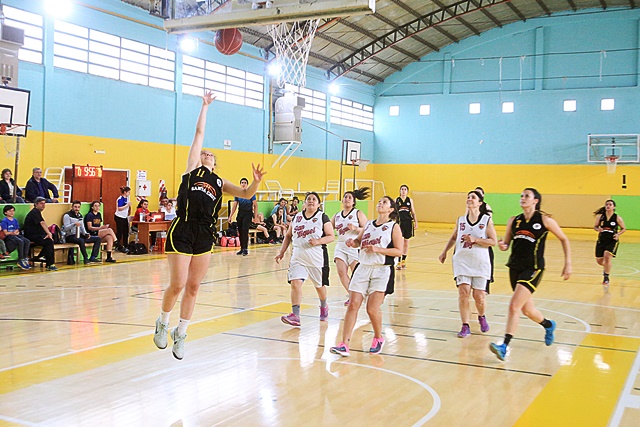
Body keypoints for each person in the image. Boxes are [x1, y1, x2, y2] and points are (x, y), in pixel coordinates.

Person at [153, 91, 265, 360]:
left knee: (193, 287)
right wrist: (204, 106)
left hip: (205, 234)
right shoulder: (191, 170)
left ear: (215, 162)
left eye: (210, 154)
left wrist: (257, 181)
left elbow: (247, 194)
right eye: (204, 152)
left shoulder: (219, 182)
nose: (206, 153)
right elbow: (199, 133)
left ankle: (181, 332)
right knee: (177, 284)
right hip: (183, 228)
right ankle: (163, 321)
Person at [489, 188, 571, 361]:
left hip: (533, 269)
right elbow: (506, 243)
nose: (523, 198)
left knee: (513, 306)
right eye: (521, 195)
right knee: (527, 309)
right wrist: (503, 245)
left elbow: (564, 239)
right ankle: (549, 325)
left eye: (527, 196)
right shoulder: (514, 220)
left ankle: (504, 346)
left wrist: (567, 263)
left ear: (535, 201)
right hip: (515, 267)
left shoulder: (545, 220)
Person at [330, 196, 403, 356]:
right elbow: (358, 241)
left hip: (382, 270)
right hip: (363, 267)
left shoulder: (393, 227)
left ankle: (378, 337)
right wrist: (352, 243)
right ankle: (344, 344)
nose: (380, 203)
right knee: (353, 304)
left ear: (390, 209)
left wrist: (378, 249)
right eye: (380, 201)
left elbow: (399, 251)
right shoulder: (369, 224)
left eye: (384, 202)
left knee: (371, 308)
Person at [439, 190, 497, 338]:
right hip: (462, 261)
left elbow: (493, 241)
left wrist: (476, 239)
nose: (469, 199)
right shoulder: (461, 220)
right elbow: (453, 237)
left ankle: (481, 316)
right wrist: (444, 251)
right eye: (468, 197)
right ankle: (465, 325)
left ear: (480, 203)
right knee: (463, 293)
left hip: (481, 262)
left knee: (479, 297)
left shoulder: (486, 220)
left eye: (473, 197)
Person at [275, 192, 334, 327]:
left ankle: (324, 306)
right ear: (304, 203)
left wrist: (318, 241)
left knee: (319, 287)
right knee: (295, 283)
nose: (311, 201)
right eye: (308, 199)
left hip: (316, 256)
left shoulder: (322, 217)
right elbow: (288, 235)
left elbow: (331, 236)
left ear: (318, 204)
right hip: (298, 255)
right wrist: (282, 252)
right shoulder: (297, 217)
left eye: (314, 199)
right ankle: (295, 315)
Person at [331, 187, 369, 306]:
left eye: (349, 197)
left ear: (353, 202)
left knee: (356, 274)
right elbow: (327, 228)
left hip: (354, 246)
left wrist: (355, 228)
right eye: (345, 197)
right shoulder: (337, 216)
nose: (347, 199)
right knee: (342, 273)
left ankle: (364, 294)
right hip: (340, 246)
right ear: (342, 200)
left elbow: (368, 229)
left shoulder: (357, 213)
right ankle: (353, 297)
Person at [594, 199, 626, 286]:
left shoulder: (617, 218)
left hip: (612, 240)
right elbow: (595, 227)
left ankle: (606, 276)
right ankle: (607, 267)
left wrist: (618, 234)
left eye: (610, 205)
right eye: (607, 204)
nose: (608, 206)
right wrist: (598, 229)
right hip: (602, 239)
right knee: (599, 260)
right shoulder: (601, 217)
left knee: (607, 256)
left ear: (614, 207)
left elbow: (624, 228)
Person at [23, 197, 57, 271]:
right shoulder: (34, 212)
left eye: (44, 203)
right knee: (49, 241)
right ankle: (50, 264)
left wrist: (48, 234)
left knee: (52, 238)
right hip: (31, 236)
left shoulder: (37, 213)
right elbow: (42, 222)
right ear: (36, 204)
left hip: (38, 235)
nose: (43, 205)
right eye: (41, 203)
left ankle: (41, 256)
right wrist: (48, 233)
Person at [228, 177, 257, 256]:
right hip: (240, 213)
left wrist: (255, 217)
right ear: (240, 184)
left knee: (245, 230)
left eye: (245, 183)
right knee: (240, 231)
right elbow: (234, 205)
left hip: (248, 213)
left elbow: (255, 205)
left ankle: (245, 249)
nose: (243, 184)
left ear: (247, 185)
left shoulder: (251, 193)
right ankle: (241, 248)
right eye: (242, 183)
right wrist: (230, 216)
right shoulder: (237, 194)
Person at [0, 205, 31, 269]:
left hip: (15, 235)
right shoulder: (4, 221)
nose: (12, 212)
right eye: (10, 211)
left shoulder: (15, 220)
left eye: (13, 211)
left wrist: (16, 232)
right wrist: (12, 233)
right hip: (9, 236)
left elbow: (17, 229)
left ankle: (25, 258)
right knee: (20, 241)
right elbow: (5, 232)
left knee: (27, 241)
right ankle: (20, 259)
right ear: (5, 212)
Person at [396, 184, 417, 270]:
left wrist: (416, 222)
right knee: (399, 242)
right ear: (400, 191)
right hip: (400, 222)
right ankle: (398, 261)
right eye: (402, 189)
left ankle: (404, 260)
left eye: (405, 189)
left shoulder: (410, 200)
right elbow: (393, 212)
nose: (403, 191)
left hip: (408, 222)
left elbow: (413, 212)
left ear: (407, 191)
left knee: (406, 242)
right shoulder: (396, 200)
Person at [114, 186, 132, 252]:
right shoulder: (120, 199)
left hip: (124, 217)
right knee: (119, 232)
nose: (129, 194)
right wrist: (127, 205)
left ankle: (126, 245)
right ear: (125, 192)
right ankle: (117, 246)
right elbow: (119, 208)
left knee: (126, 232)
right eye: (128, 192)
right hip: (119, 217)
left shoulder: (126, 199)